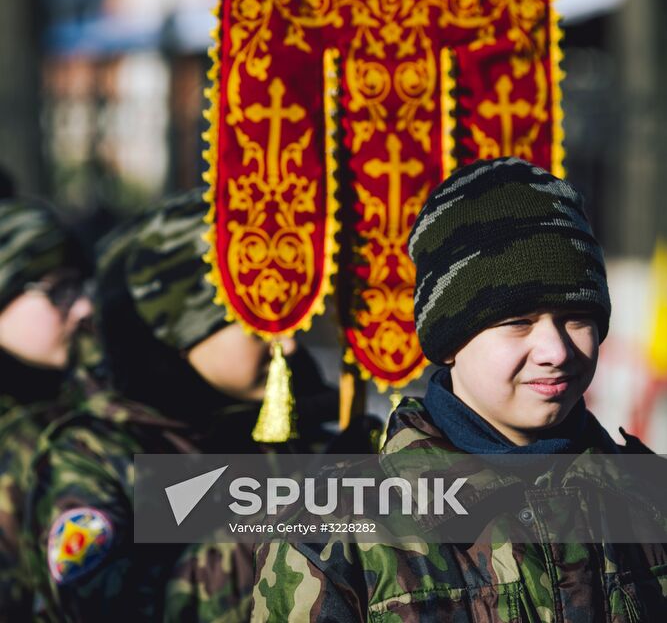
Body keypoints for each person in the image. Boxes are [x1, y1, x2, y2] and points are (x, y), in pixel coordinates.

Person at [252, 157, 667, 621]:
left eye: (578, 318)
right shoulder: (335, 534)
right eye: (518, 322)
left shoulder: (649, 496)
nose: (555, 349)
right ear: (450, 342)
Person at [24, 189, 338, 622]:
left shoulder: (303, 422)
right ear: (179, 329)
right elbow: (109, 605)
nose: (286, 343)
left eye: (288, 317)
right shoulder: (92, 457)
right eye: (253, 322)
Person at [0, 200, 93, 621]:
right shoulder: (22, 439)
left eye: (80, 288)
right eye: (60, 291)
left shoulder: (71, 393)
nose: (82, 308)